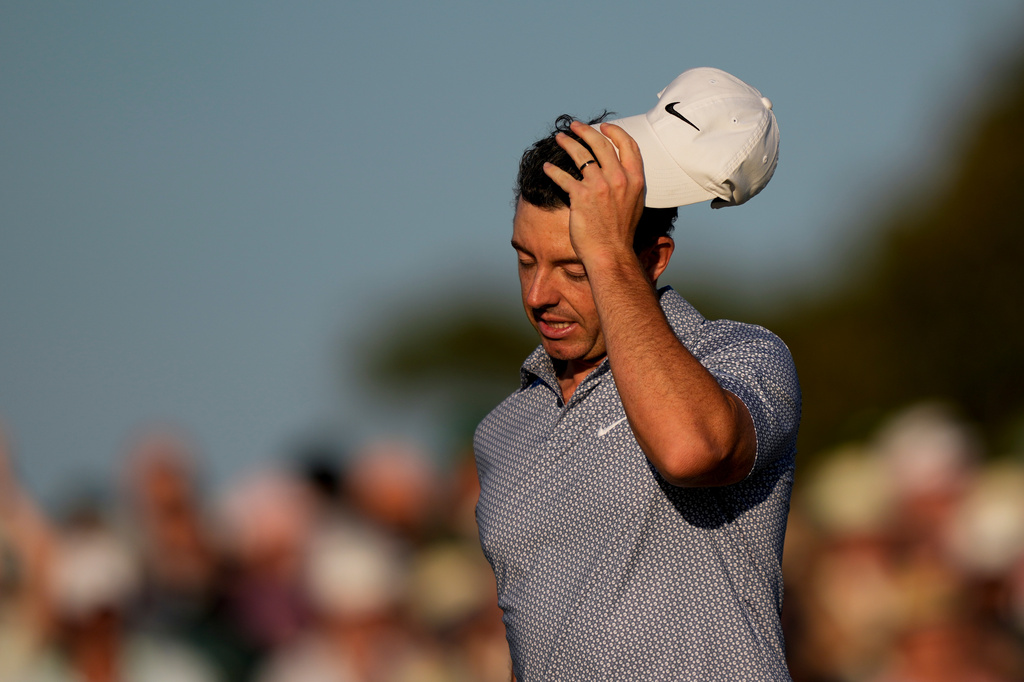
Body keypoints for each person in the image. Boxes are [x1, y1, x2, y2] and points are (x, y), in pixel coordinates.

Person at [473, 68, 802, 681]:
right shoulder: (502, 430)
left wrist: (605, 251)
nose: (539, 295)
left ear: (652, 260)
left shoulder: (741, 355)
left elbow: (690, 449)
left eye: (574, 269)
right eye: (525, 260)